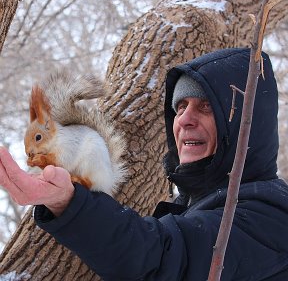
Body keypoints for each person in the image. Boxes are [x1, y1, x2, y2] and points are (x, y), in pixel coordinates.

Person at [0, 47, 288, 280]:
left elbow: (163, 259)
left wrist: (70, 202)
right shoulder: (196, 204)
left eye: (205, 106)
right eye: (180, 107)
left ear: (242, 123)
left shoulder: (269, 214)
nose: (184, 119)